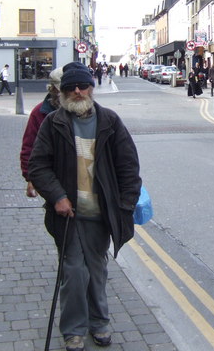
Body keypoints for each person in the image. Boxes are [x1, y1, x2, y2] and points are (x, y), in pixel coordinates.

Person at [28, 62, 142, 350]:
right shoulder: (53, 123)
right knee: (74, 271)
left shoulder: (110, 122)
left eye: (82, 86)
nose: (77, 91)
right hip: (69, 214)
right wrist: (57, 197)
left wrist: (125, 205)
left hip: (101, 213)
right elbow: (38, 166)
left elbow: (128, 167)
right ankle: (74, 329)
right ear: (62, 92)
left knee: (97, 269)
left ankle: (99, 322)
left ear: (92, 87)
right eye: (70, 88)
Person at [20, 67, 63, 197]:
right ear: (54, 89)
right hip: (53, 177)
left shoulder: (86, 110)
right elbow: (29, 146)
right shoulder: (39, 113)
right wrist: (30, 177)